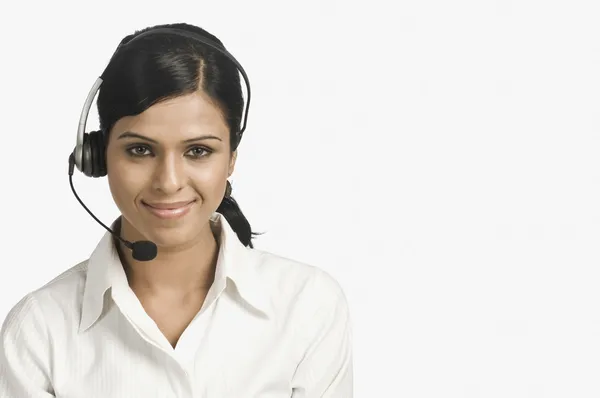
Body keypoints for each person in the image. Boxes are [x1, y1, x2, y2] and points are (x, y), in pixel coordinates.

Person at [0, 22, 352, 397]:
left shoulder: (308, 307)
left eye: (198, 151)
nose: (168, 182)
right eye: (140, 150)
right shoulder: (39, 330)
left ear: (231, 158)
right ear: (97, 156)